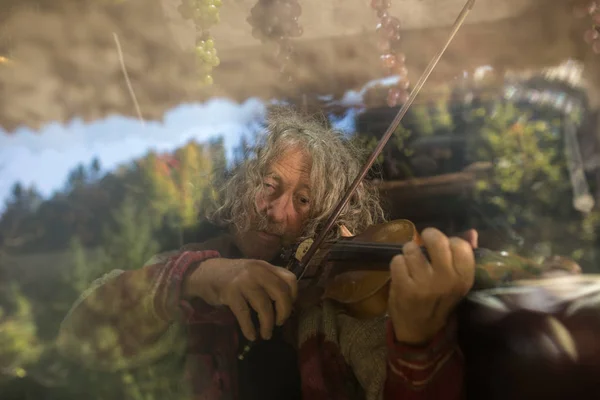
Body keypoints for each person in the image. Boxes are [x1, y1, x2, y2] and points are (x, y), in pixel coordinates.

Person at [57, 107, 476, 400]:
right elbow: (78, 338)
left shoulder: (338, 305)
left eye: (305, 201)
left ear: (325, 216)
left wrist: (416, 340)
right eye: (269, 185)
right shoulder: (188, 272)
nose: (276, 212)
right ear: (243, 183)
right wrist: (200, 277)